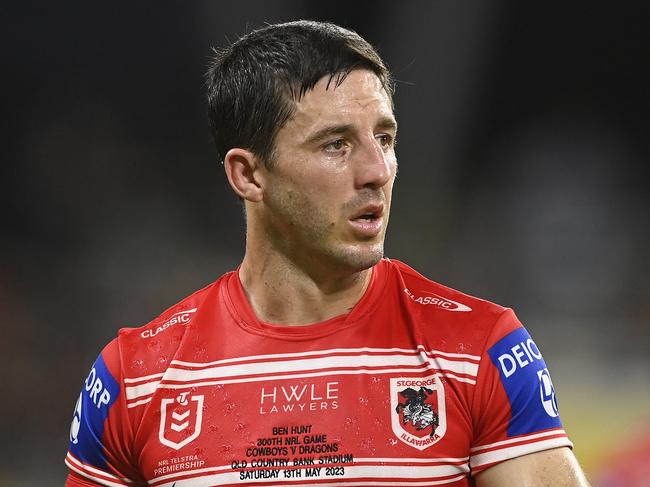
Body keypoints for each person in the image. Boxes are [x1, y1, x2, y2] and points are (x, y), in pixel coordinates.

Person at [64, 20, 590, 487]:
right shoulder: (136, 378)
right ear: (248, 174)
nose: (377, 171)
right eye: (336, 144)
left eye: (384, 138)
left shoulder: (479, 350)